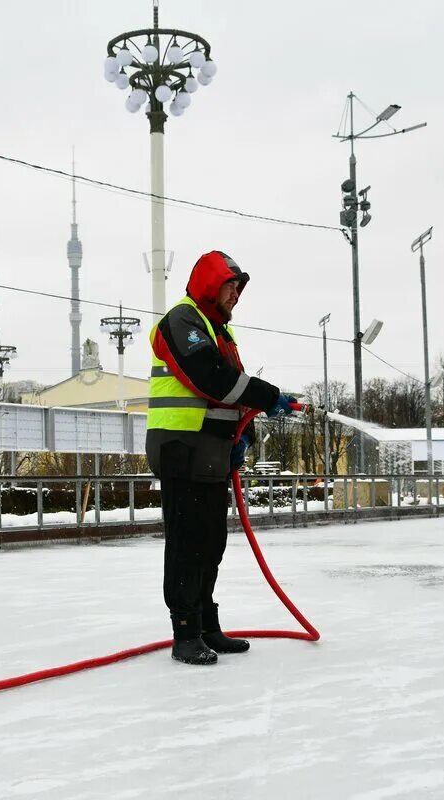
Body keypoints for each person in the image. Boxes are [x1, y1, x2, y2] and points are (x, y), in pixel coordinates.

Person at [146, 250, 296, 666]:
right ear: (212, 285)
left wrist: (242, 434)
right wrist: (269, 396)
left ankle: (207, 624)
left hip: (209, 452)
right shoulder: (181, 321)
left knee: (211, 542)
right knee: (187, 543)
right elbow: (210, 378)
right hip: (181, 450)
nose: (236, 296)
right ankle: (185, 633)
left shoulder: (218, 332)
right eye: (231, 286)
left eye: (239, 289)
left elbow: (231, 395)